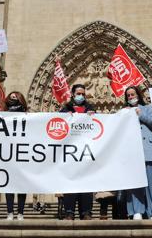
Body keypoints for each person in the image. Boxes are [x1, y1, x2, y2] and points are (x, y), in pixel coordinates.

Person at [123, 86, 152, 220]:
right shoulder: (124, 111)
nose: (131, 97)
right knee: (135, 181)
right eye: (128, 95)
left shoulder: (147, 108)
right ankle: (137, 211)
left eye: (133, 94)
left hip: (147, 148)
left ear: (138, 95)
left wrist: (140, 114)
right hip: (132, 150)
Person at [60, 84, 94, 220]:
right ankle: (69, 212)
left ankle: (86, 212)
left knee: (87, 184)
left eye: (83, 94)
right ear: (73, 94)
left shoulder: (90, 108)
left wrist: (94, 116)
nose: (81, 96)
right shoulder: (66, 108)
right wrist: (64, 115)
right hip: (70, 152)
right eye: (78, 93)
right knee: (70, 183)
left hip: (86, 151)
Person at [4, 91, 28, 221]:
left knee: (22, 185)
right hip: (7, 154)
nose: (13, 100)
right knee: (9, 185)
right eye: (11, 98)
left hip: (22, 153)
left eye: (16, 98)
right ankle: (9, 212)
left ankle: (20, 213)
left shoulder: (27, 116)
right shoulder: (1, 115)